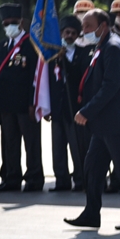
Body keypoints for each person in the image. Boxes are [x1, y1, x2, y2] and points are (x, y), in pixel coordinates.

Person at [64, 10, 120, 231]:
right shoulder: (102, 46)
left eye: (87, 26)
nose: (84, 31)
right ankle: (91, 213)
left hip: (116, 122)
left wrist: (87, 111)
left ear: (103, 26)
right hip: (104, 124)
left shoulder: (113, 47)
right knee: (93, 166)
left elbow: (110, 87)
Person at [0, 4, 44, 192]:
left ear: (20, 22)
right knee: (10, 143)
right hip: (5, 104)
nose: (9, 26)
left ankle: (34, 178)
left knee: (31, 142)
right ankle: (12, 177)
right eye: (6, 23)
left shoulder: (31, 44)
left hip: (25, 103)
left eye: (12, 22)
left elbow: (34, 77)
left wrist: (32, 102)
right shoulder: (0, 46)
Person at [47, 16, 87, 191]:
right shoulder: (52, 55)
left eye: (72, 33)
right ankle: (61, 180)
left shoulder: (82, 54)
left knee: (77, 145)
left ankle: (80, 179)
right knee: (58, 147)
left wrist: (66, 61)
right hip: (58, 107)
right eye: (66, 32)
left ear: (77, 35)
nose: (69, 36)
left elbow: (79, 76)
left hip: (74, 108)